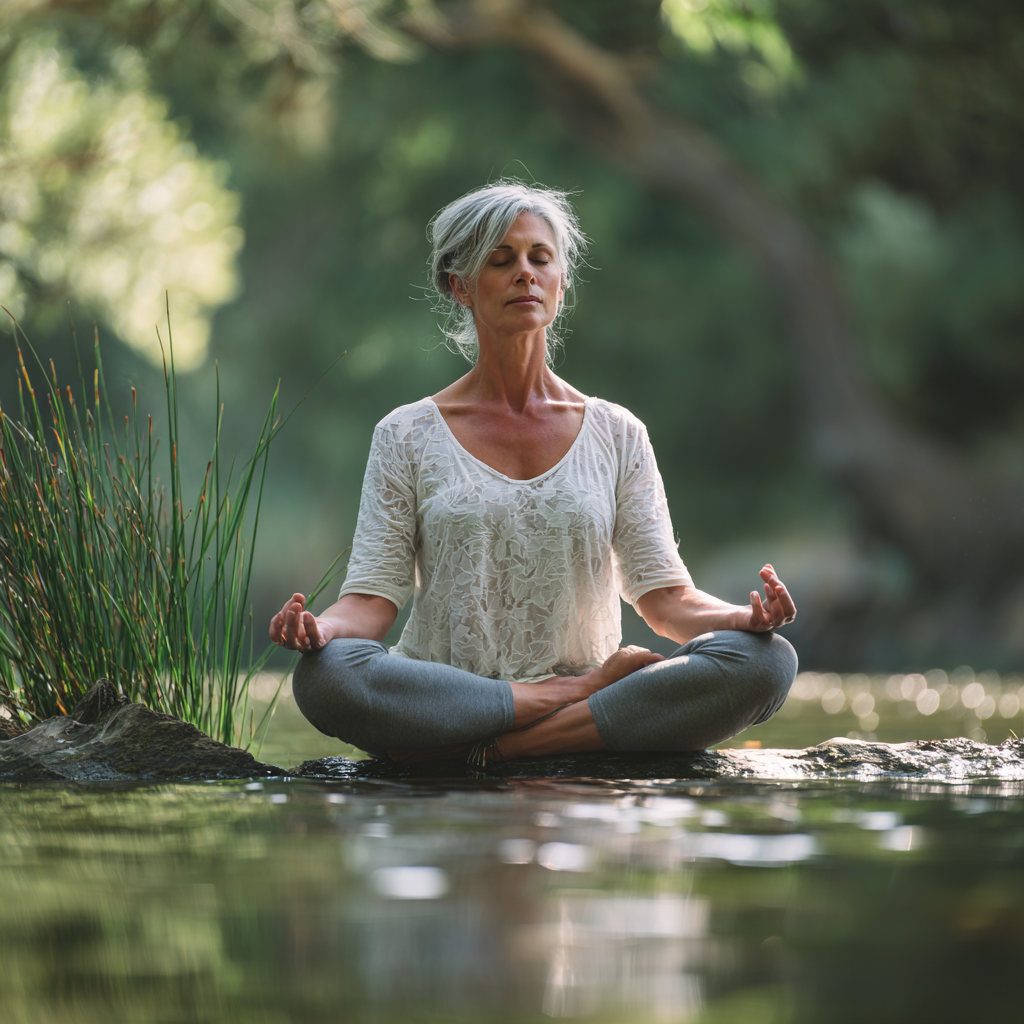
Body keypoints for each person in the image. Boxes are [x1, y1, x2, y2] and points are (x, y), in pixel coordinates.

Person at [270, 181, 797, 767]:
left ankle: (485, 753)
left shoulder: (618, 433)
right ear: (460, 286)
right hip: (449, 696)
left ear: (560, 283)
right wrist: (320, 627)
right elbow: (371, 603)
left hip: (464, 729)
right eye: (501, 260)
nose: (525, 273)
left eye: (540, 258)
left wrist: (745, 618)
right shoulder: (405, 434)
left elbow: (667, 601)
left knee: (769, 660)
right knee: (327, 676)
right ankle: (564, 702)